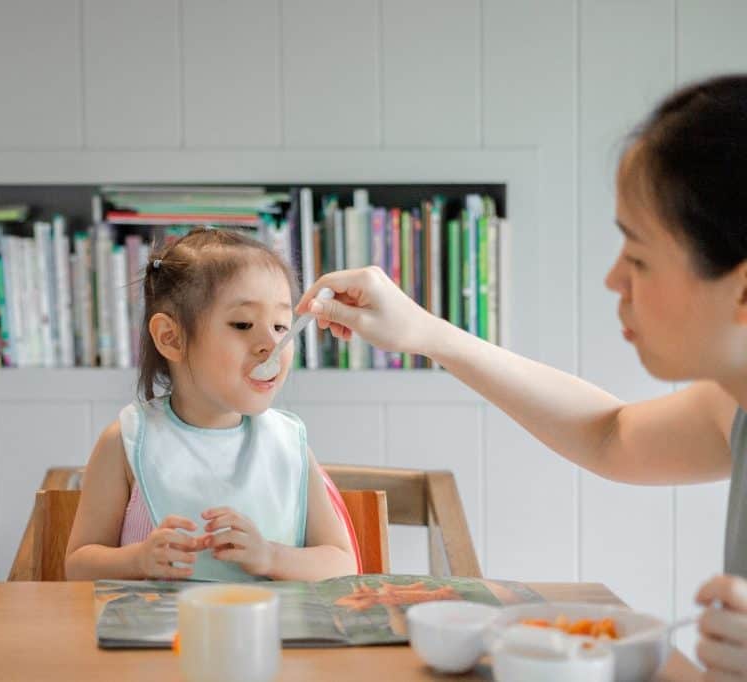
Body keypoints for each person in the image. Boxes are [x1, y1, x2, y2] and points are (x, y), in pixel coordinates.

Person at [298, 73, 747, 678]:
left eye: (638, 257)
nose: (615, 279)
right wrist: (424, 332)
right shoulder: (732, 406)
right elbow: (610, 434)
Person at [65, 228, 356, 582]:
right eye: (243, 324)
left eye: (281, 326)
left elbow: (342, 564)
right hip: (159, 636)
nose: (271, 344)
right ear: (171, 338)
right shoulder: (125, 442)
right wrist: (138, 560)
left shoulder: (289, 443)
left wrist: (270, 557)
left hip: (274, 635)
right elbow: (78, 566)